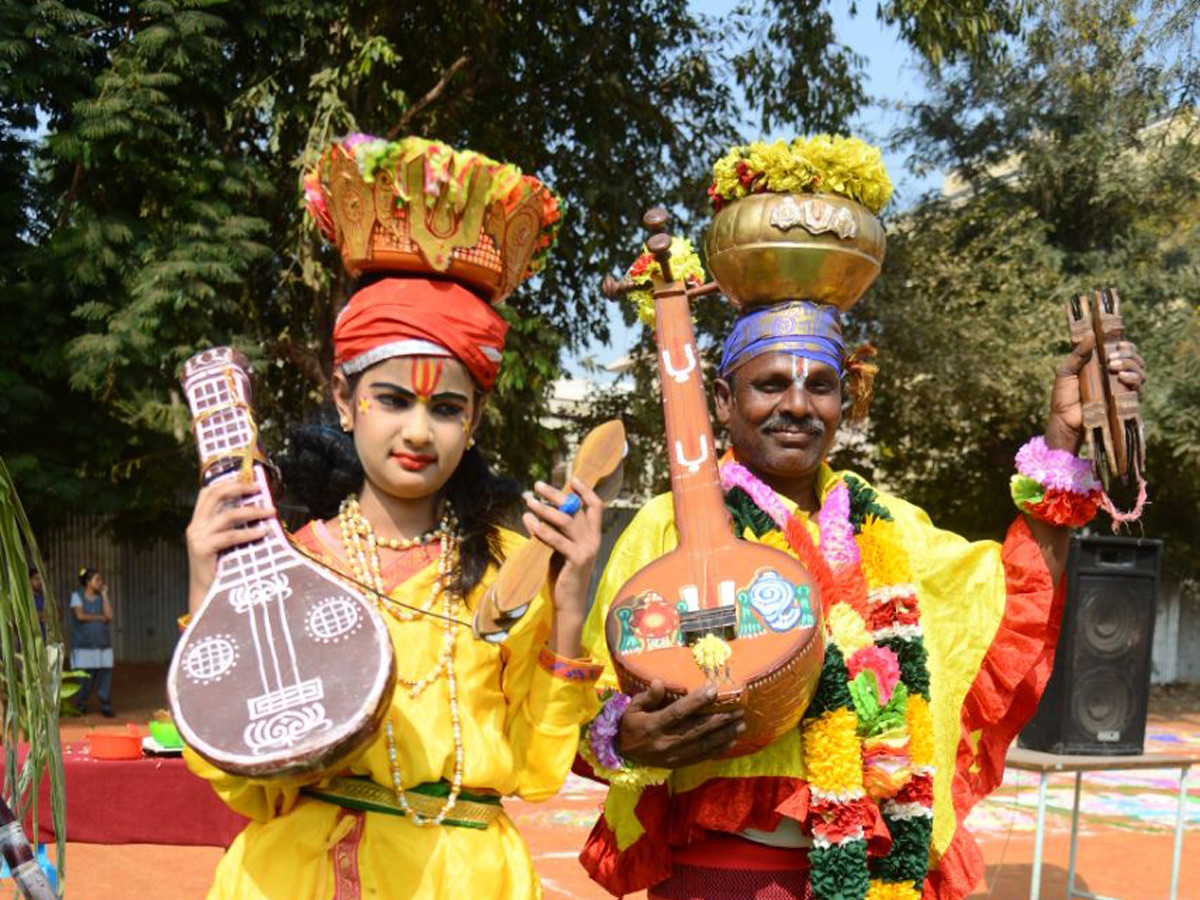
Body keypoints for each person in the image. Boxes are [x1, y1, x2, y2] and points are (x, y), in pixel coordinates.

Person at [576, 175, 1148, 898]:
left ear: (845, 403)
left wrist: (1065, 434)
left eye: (821, 385)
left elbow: (1006, 595)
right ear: (722, 400)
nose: (797, 405)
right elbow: (587, 707)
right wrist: (625, 739)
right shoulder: (671, 525)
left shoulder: (890, 525)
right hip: (716, 878)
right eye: (770, 383)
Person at [181, 136, 604, 900]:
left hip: (471, 878)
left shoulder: (514, 564)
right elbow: (241, 784)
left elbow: (539, 772)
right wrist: (210, 579)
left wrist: (569, 603)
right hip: (300, 876)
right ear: (345, 403)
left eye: (446, 408)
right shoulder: (287, 562)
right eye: (393, 400)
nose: (417, 431)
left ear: (473, 422)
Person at [70, 567, 114, 717]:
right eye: (97, 579)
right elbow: (80, 616)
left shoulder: (102, 597)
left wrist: (105, 594)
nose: (101, 582)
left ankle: (106, 705)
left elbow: (109, 615)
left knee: (104, 676)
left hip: (103, 645)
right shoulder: (77, 596)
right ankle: (80, 705)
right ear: (88, 582)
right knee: (83, 679)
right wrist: (99, 617)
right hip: (83, 646)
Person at [29, 566, 46, 641]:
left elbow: (59, 615)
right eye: (36, 579)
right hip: (27, 644)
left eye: (41, 579)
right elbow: (30, 617)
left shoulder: (45, 597)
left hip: (43, 643)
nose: (39, 582)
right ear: (29, 580)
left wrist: (40, 615)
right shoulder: (25, 599)